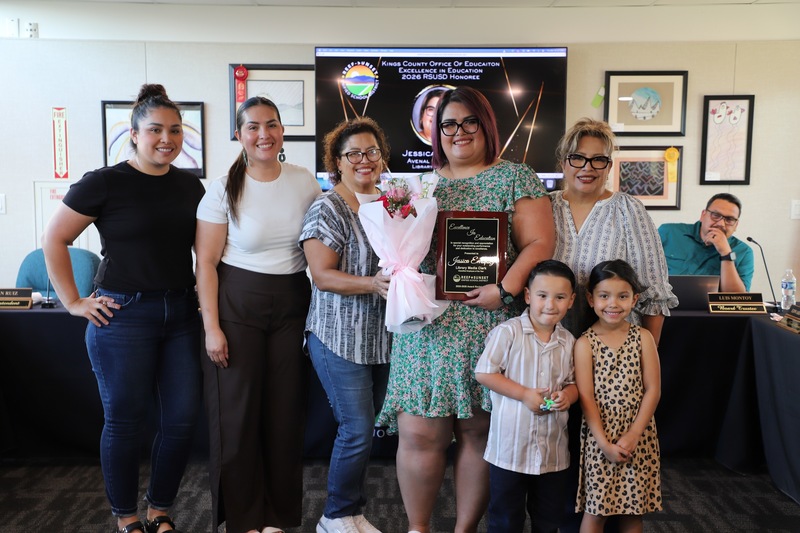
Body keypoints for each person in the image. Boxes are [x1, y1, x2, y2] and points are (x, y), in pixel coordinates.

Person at [377, 86, 556, 533]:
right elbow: (399, 245)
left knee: (477, 432)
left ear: (486, 125)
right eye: (448, 125)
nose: (458, 132)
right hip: (427, 325)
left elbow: (540, 243)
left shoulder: (516, 177)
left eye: (468, 122)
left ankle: (464, 530)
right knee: (420, 433)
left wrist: (506, 288)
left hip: (488, 322)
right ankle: (418, 528)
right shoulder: (418, 185)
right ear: (435, 133)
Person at [42, 84, 205, 533]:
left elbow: (206, 254)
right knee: (125, 420)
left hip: (181, 314)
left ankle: (160, 509)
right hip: (123, 316)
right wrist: (72, 301)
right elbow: (54, 239)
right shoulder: (104, 182)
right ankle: (127, 516)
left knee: (181, 418)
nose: (166, 138)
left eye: (175, 130)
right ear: (133, 134)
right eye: (155, 129)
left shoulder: (190, 186)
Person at [195, 96, 321, 533]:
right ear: (239, 134)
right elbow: (206, 264)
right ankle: (245, 520)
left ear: (283, 130)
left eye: (272, 125)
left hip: (291, 304)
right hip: (236, 306)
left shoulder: (305, 181)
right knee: (238, 416)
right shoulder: (221, 188)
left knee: (285, 416)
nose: (263, 134)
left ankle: (279, 518)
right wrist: (212, 328)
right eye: (253, 127)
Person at [299, 116, 392, 533]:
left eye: (371, 151)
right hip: (338, 337)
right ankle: (334, 514)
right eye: (353, 153)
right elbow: (322, 274)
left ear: (382, 157)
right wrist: (373, 282)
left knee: (366, 428)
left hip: (380, 337)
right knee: (355, 429)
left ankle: (352, 511)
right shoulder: (328, 205)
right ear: (337, 162)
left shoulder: (390, 202)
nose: (364, 160)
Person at [475, 260, 579, 533]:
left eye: (560, 297)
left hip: (552, 451)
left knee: (548, 519)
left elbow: (573, 382)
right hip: (510, 450)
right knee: (505, 520)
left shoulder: (568, 341)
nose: (550, 305)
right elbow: (485, 373)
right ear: (528, 296)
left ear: (571, 300)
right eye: (542, 296)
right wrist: (523, 394)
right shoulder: (508, 332)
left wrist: (568, 396)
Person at [551, 118, 676, 344]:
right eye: (577, 158)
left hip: (615, 354)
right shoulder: (543, 208)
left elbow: (655, 294)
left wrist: (646, 356)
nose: (587, 167)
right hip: (550, 350)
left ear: (609, 166)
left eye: (598, 159)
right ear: (563, 163)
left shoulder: (628, 209)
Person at [573, 259, 662, 533]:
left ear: (634, 299)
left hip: (639, 436)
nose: (613, 304)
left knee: (633, 511)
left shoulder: (643, 337)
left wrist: (634, 434)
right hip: (601, 438)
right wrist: (604, 443)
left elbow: (653, 389)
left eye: (622, 296)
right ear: (591, 299)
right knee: (596, 511)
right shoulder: (584, 343)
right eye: (604, 296)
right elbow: (586, 396)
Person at [658, 193, 754, 292]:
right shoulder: (668, 232)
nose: (720, 224)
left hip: (710, 307)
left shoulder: (744, 251)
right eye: (716, 215)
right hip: (665, 305)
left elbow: (737, 300)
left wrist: (726, 254)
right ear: (703, 215)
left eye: (729, 219)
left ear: (736, 225)